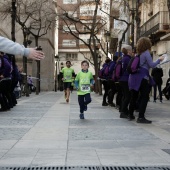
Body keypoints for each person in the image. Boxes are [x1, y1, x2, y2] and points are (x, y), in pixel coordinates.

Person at [128, 37, 164, 124]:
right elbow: (151, 65)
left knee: (134, 96)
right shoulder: (146, 53)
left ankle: (130, 115)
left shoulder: (137, 54)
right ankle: (141, 117)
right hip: (142, 78)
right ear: (147, 44)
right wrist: (159, 60)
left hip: (133, 77)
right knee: (145, 97)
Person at [119, 45, 132, 119]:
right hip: (126, 79)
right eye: (130, 50)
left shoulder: (123, 58)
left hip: (122, 79)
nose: (131, 52)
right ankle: (123, 111)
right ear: (128, 51)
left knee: (125, 96)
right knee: (128, 96)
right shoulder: (128, 59)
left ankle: (124, 110)